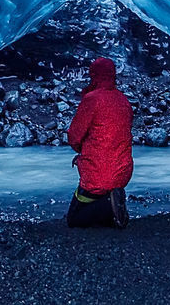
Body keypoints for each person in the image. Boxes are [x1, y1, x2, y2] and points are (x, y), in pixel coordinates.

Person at [65, 57, 132, 229]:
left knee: (74, 219)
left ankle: (109, 206)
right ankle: (113, 199)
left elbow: (74, 136)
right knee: (96, 207)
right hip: (122, 172)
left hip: (98, 173)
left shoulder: (92, 99)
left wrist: (82, 153)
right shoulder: (124, 101)